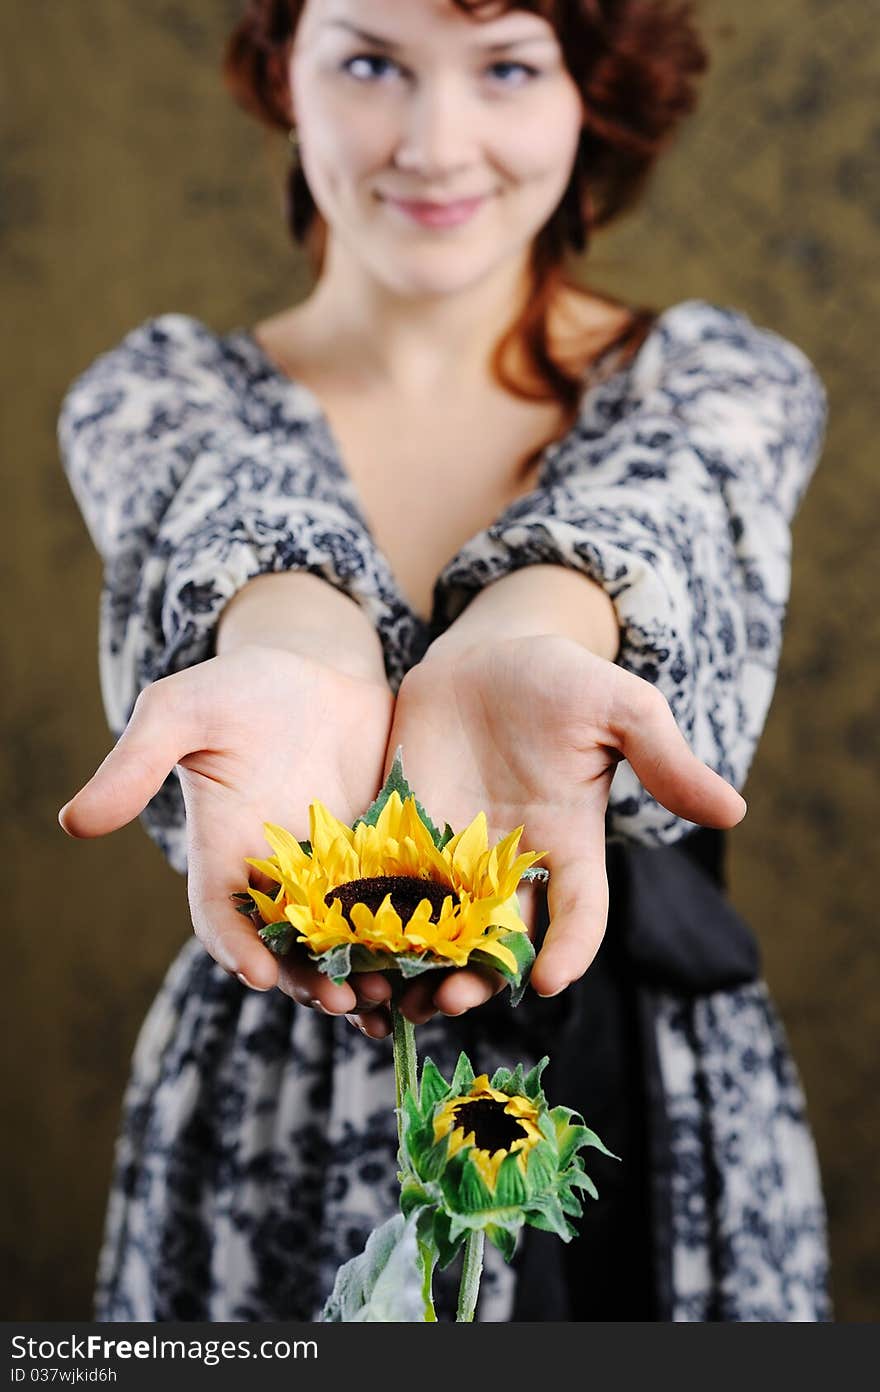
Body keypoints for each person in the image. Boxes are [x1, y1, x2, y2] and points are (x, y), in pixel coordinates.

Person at [56, 0, 831, 1321]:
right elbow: (246, 533)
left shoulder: (716, 386)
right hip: (285, 1089)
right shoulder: (161, 400)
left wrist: (536, 634)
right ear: (280, 69)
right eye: (370, 61)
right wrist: (293, 651)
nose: (433, 140)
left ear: (594, 93)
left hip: (652, 1094)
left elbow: (650, 516)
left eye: (508, 68)